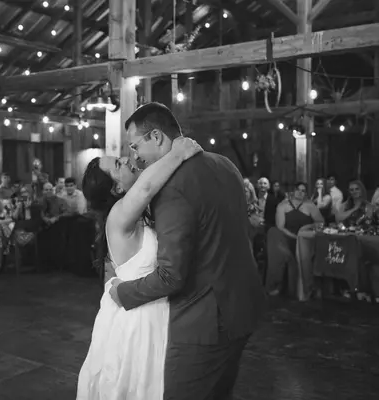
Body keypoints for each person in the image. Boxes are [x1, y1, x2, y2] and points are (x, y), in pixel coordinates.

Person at [78, 102, 266, 400]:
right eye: (122, 160)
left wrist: (122, 291)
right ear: (114, 188)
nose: (133, 157)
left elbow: (171, 274)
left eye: (134, 146)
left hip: (204, 316)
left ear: (156, 136)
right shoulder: (225, 164)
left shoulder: (171, 187)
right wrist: (179, 151)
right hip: (238, 305)